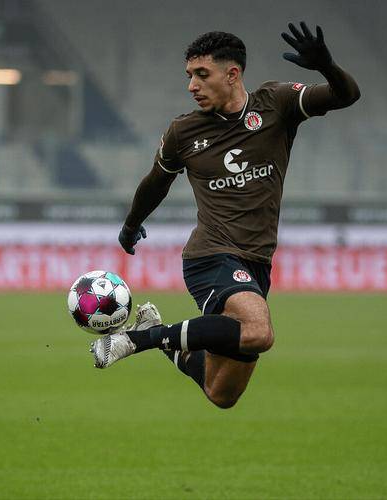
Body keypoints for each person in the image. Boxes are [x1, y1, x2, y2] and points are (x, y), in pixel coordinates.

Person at [90, 23, 359, 409]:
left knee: (221, 393)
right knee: (258, 332)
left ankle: (156, 333)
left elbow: (347, 95)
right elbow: (155, 182)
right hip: (210, 256)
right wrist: (131, 224)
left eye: (202, 75)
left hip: (257, 262)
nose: (192, 86)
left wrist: (327, 66)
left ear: (232, 74)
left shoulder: (276, 103)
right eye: (189, 76)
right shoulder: (184, 132)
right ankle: (136, 340)